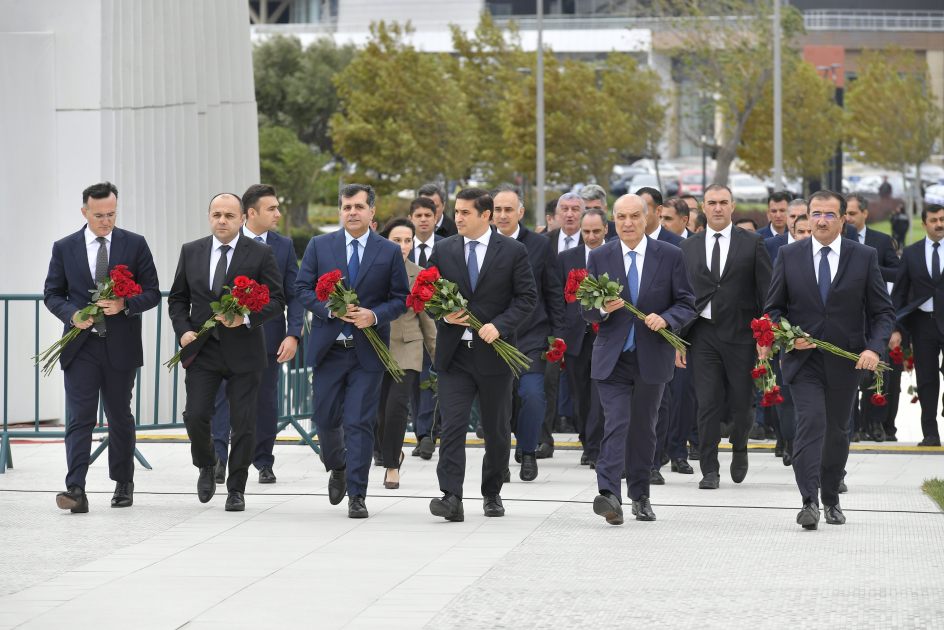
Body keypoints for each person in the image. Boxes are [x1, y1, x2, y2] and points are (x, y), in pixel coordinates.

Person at [763, 190, 894, 529]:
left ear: (843, 220)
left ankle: (831, 498)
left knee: (837, 431)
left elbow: (882, 312)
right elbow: (772, 310)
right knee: (811, 423)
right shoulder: (789, 255)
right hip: (802, 362)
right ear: (807, 217)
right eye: (815, 213)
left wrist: (873, 349)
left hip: (846, 362)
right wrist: (788, 335)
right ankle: (808, 500)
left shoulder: (863, 257)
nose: (821, 220)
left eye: (829, 214)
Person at [295, 184, 410, 518]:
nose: (352, 213)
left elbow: (401, 298)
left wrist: (373, 315)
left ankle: (357, 495)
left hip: (368, 353)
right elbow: (302, 289)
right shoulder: (320, 245)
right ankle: (338, 467)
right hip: (329, 349)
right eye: (347, 207)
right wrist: (331, 309)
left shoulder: (388, 251)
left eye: (359, 207)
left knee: (359, 422)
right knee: (325, 417)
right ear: (340, 210)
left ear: (372, 212)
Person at [44, 182, 160, 513]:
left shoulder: (134, 245)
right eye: (99, 215)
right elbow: (52, 293)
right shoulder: (64, 247)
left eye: (111, 214)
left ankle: (124, 482)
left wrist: (125, 304)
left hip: (120, 346)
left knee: (119, 416)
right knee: (79, 417)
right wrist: (72, 314)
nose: (106, 221)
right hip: (80, 347)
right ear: (85, 212)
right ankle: (76, 489)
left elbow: (152, 291)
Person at [168, 193, 286, 511]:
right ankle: (207, 464)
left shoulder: (261, 253)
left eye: (229, 215)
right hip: (202, 349)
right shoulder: (191, 251)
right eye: (216, 214)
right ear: (209, 217)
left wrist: (245, 317)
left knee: (244, 423)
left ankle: (236, 487)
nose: (222, 220)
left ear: (242, 219)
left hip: (244, 350)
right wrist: (183, 331)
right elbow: (178, 299)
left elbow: (277, 300)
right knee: (195, 415)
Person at [583, 194, 696, 524]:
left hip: (651, 356)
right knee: (616, 422)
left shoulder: (671, 255)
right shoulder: (600, 256)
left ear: (648, 218)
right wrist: (602, 309)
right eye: (621, 217)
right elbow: (586, 309)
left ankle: (640, 494)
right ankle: (609, 495)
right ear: (612, 220)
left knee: (644, 429)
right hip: (612, 358)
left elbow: (687, 303)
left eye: (634, 216)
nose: (628, 223)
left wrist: (667, 319)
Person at [427, 188, 537, 521]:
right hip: (454, 355)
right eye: (456, 212)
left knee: (496, 430)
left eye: (465, 213)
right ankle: (450, 496)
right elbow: (428, 293)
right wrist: (442, 315)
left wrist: (500, 326)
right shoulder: (443, 249)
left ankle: (492, 493)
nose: (457, 218)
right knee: (453, 427)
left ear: (485, 215)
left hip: (494, 355)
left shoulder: (514, 250)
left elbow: (527, 299)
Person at [208, 185, 304, 486]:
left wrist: (294, 334)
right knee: (223, 398)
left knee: (265, 400)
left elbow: (293, 293)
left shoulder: (284, 246)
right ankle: (219, 459)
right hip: (224, 335)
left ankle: (263, 461)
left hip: (268, 337)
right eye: (272, 209)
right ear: (251, 213)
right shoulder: (227, 241)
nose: (278, 213)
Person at [678, 184, 773, 489]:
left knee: (742, 402)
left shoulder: (753, 242)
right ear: (702, 209)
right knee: (707, 402)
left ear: (732, 207)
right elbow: (680, 296)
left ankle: (740, 446)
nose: (717, 208)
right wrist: (677, 339)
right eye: (711, 203)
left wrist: (765, 335)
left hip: (742, 334)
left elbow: (766, 292)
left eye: (723, 203)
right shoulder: (687, 247)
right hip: (702, 334)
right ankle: (709, 469)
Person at [492, 184, 566, 480]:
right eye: (497, 209)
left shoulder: (538, 245)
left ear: (520, 212)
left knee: (533, 395)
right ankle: (499, 458)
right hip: (492, 338)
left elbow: (554, 292)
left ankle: (528, 451)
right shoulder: (478, 244)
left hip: (532, 337)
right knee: (499, 402)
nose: (503, 215)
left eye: (509, 209)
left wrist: (558, 335)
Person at [374, 218, 437, 488]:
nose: (402, 246)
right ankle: (392, 452)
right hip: (375, 348)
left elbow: (428, 322)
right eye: (396, 240)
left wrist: (439, 357)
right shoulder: (372, 271)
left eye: (407, 240)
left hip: (408, 347)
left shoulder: (420, 274)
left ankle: (391, 467)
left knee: (397, 407)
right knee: (378, 413)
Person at [889, 203, 944, 447]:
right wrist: (896, 327)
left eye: (942, 219)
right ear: (924, 224)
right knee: (927, 379)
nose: (939, 224)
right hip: (923, 324)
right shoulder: (911, 253)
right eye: (933, 220)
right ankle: (930, 433)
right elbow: (899, 293)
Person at [558, 208, 609, 467]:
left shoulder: (615, 255)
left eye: (596, 231)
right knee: (580, 395)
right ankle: (586, 439)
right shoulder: (567, 258)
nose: (591, 236)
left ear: (606, 230)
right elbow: (557, 298)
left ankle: (595, 448)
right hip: (576, 336)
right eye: (586, 231)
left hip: (607, 336)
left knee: (601, 395)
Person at [407, 196, 444, 459]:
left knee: (431, 380)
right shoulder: (400, 247)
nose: (422, 220)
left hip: (439, 325)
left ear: (435, 218)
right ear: (411, 219)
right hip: (408, 327)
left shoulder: (446, 247)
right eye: (418, 215)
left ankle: (427, 434)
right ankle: (423, 432)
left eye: (427, 215)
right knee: (414, 384)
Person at [845, 193, 899, 283]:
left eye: (852, 213)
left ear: (865, 213)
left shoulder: (883, 240)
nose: (847, 218)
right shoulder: (835, 239)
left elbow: (898, 273)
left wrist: (871, 268)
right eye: (844, 214)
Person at [766, 198, 810, 263]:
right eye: (792, 216)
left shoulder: (820, 243)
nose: (795, 221)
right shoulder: (769, 245)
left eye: (800, 217)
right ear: (787, 219)